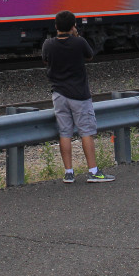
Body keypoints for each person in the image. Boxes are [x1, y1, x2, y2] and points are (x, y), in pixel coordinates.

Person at [41, 10, 114, 183]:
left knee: (64, 133)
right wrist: (76, 35)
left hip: (58, 95)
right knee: (86, 132)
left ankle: (68, 173)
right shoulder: (79, 42)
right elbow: (89, 56)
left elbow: (46, 61)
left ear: (56, 26)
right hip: (79, 95)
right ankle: (93, 172)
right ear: (74, 26)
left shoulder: (48, 44)